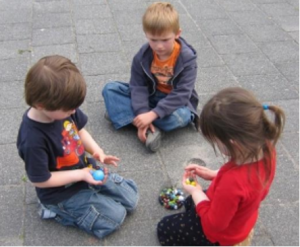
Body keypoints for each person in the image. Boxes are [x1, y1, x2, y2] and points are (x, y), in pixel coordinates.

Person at [17, 55, 138, 239]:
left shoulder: (63, 107)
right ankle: (54, 211)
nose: (73, 112)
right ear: (41, 105)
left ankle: (92, 192)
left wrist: (98, 151)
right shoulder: (33, 139)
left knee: (131, 198)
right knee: (115, 217)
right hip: (61, 194)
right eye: (68, 110)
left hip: (83, 171)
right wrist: (81, 175)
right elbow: (40, 180)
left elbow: (80, 131)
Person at [157, 87, 285, 246]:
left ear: (234, 144)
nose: (216, 146)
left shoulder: (232, 183)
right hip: (242, 219)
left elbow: (213, 225)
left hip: (221, 237)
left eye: (216, 143)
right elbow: (245, 187)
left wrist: (196, 190)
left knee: (164, 227)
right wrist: (213, 174)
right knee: (191, 202)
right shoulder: (265, 149)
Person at [102, 2, 199, 152]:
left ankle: (127, 118)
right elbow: (138, 86)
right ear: (146, 34)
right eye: (153, 40)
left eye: (165, 40)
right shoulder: (142, 56)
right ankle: (145, 125)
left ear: (177, 33)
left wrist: (153, 114)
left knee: (182, 117)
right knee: (110, 89)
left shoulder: (187, 58)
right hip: (150, 96)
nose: (159, 46)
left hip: (174, 102)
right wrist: (142, 113)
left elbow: (182, 94)